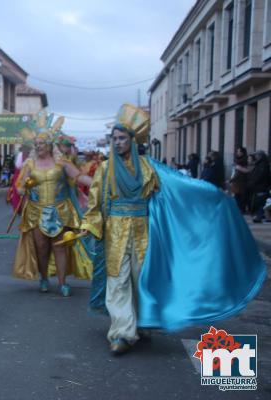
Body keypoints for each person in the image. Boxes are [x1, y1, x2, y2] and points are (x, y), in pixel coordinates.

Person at [79, 103, 266, 355]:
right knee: (118, 280)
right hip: (114, 232)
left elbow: (181, 186)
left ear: (133, 141)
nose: (118, 143)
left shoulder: (149, 168)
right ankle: (122, 332)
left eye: (122, 138)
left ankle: (140, 323)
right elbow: (95, 201)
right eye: (114, 139)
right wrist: (89, 225)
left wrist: (211, 195)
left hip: (144, 232)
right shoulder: (104, 169)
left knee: (140, 280)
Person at [12, 112, 93, 296]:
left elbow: (79, 177)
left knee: (60, 246)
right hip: (36, 211)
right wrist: (25, 186)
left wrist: (99, 182)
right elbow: (19, 186)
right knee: (41, 247)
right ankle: (43, 278)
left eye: (41, 143)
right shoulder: (29, 164)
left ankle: (63, 283)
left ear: (49, 145)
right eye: (37, 144)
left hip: (60, 210)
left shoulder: (61, 163)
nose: (38, 146)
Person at [247, 151, 270, 223]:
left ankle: (259, 216)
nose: (256, 157)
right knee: (259, 202)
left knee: (259, 202)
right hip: (258, 186)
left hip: (260, 186)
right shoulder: (260, 164)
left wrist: (252, 182)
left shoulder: (263, 165)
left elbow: (260, 176)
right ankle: (258, 215)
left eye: (257, 155)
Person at [230, 147, 250, 212]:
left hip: (241, 181)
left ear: (242, 152)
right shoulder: (238, 160)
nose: (237, 153)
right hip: (237, 180)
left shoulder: (244, 160)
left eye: (239, 151)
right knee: (237, 195)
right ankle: (239, 208)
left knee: (240, 196)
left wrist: (238, 167)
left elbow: (246, 171)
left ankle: (241, 209)